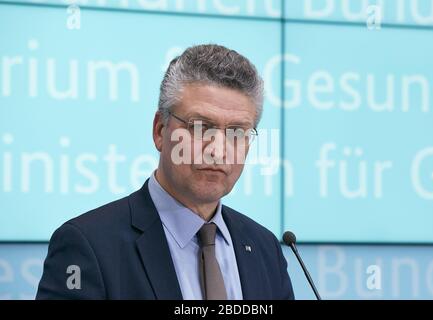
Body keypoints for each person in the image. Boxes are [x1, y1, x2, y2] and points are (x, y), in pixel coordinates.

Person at [36, 44, 294, 300]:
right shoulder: (87, 245)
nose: (218, 150)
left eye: (237, 132)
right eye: (201, 127)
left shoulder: (265, 248)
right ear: (160, 130)